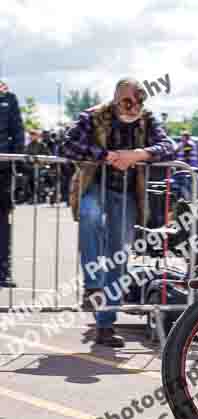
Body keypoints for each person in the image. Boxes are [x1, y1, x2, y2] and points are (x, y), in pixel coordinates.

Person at [63, 77, 175, 346]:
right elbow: (66, 145)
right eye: (127, 101)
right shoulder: (93, 116)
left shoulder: (147, 120)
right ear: (115, 98)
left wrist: (139, 154)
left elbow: (168, 146)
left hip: (126, 195)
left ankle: (105, 324)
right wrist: (105, 155)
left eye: (139, 101)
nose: (133, 107)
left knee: (119, 258)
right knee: (89, 215)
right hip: (95, 186)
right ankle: (92, 285)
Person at [0, 80, 24, 287]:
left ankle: (2, 271)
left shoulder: (8, 98)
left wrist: (15, 160)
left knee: (2, 222)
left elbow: (18, 131)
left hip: (3, 169)